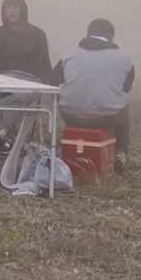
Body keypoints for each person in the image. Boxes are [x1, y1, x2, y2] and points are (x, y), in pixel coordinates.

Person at [52, 18, 135, 174]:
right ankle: (121, 151)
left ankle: (69, 146)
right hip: (110, 117)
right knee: (124, 107)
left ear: (88, 34)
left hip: (71, 115)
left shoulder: (68, 56)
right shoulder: (125, 59)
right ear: (111, 38)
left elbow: (54, 82)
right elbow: (125, 88)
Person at [0, 0, 53, 157]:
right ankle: (1, 137)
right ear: (4, 11)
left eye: (15, 7)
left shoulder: (37, 34)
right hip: (2, 79)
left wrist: (42, 81)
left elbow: (45, 63)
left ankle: (1, 134)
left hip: (29, 79)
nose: (11, 11)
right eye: (8, 7)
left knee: (19, 95)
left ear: (22, 9)